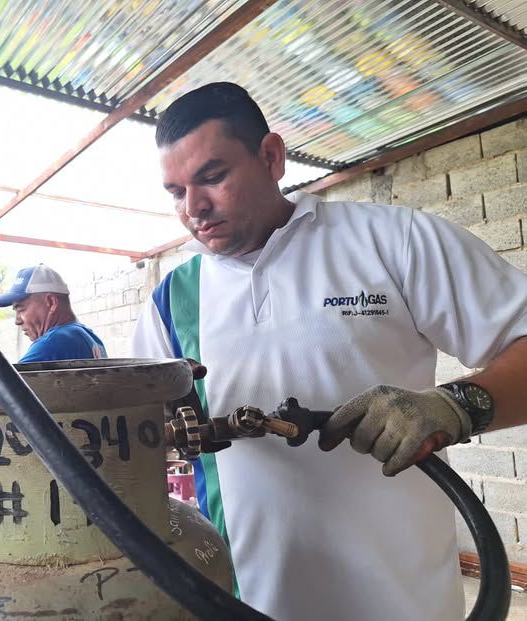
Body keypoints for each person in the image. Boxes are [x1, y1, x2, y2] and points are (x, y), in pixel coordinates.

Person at [131, 82, 527, 621]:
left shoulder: (390, 242)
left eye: (213, 177)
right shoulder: (172, 301)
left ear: (271, 157)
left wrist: (454, 406)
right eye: (176, 192)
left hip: (406, 602)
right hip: (249, 602)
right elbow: (137, 440)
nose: (193, 207)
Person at [0, 263, 107, 363]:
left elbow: (5, 382)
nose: (17, 321)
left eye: (21, 309)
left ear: (51, 302)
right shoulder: (91, 337)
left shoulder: (54, 342)